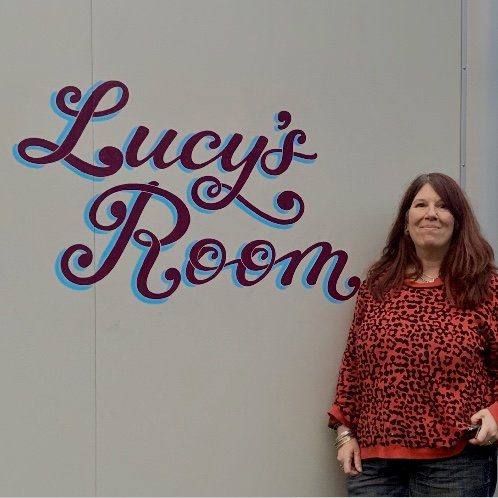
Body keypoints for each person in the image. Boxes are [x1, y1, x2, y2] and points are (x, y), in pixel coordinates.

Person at [327, 173, 498, 496]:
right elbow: (353, 367)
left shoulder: (484, 288)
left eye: (443, 206)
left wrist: (495, 415)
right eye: (421, 205)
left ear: (458, 222)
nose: (431, 213)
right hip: (374, 463)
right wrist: (346, 432)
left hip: (457, 461)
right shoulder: (378, 286)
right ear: (406, 222)